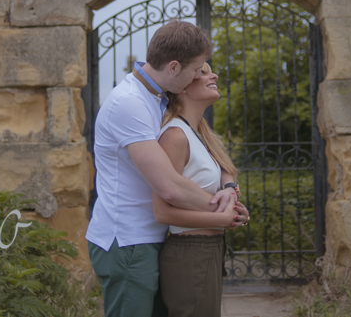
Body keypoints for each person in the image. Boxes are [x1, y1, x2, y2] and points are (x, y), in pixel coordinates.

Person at [86, 20, 249, 317]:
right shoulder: (129, 102)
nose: (197, 77)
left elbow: (207, 152)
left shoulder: (156, 98)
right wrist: (223, 209)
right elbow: (169, 186)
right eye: (195, 70)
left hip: (153, 239)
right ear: (173, 67)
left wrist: (228, 190)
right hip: (127, 241)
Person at [154, 62, 247, 317]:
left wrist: (232, 197)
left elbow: (224, 176)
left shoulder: (198, 133)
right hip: (191, 254)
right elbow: (162, 212)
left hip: (208, 251)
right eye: (202, 72)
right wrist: (221, 218)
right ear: (182, 85)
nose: (213, 75)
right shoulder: (175, 136)